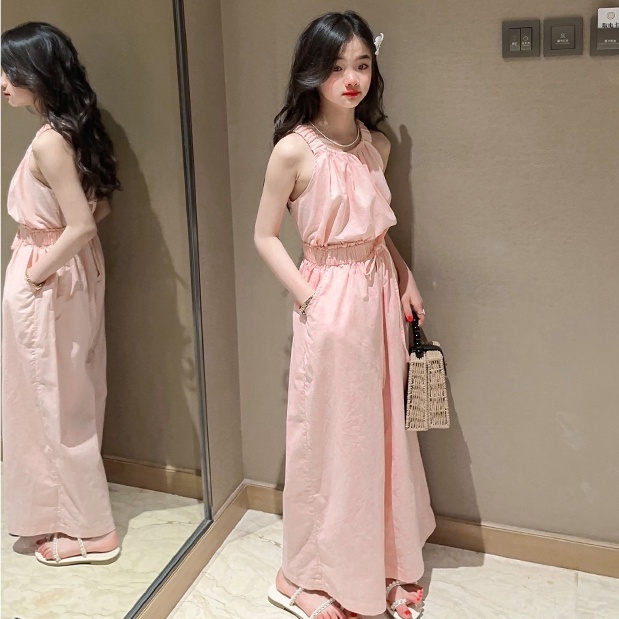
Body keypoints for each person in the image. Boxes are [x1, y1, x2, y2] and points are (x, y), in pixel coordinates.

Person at [255, 11, 437, 619]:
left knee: (380, 433)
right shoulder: (293, 150)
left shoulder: (376, 146)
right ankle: (311, 576)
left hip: (380, 296)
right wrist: (308, 298)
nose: (351, 78)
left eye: (362, 65)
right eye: (337, 67)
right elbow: (264, 236)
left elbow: (378, 233)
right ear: (313, 72)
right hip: (331, 301)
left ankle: (383, 561)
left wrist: (405, 277)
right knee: (333, 438)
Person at [1, 22, 121, 566]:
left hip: (49, 280)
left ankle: (91, 531)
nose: (2, 82)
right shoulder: (72, 131)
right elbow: (100, 207)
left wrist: (33, 275)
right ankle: (60, 515)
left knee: (52, 401)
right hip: (69, 275)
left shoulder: (51, 141)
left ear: (37, 72)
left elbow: (83, 223)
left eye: (9, 71)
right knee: (63, 395)